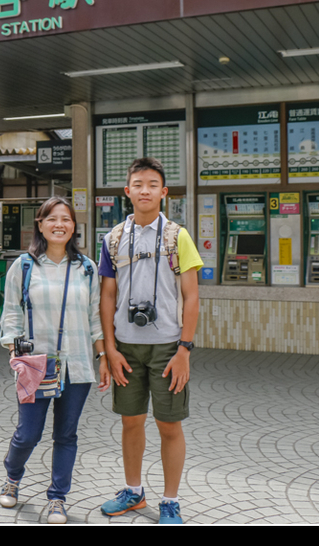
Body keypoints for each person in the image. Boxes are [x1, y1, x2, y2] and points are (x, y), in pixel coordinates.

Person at [97, 157, 203, 524]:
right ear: (127, 192)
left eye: (152, 184)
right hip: (125, 347)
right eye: (138, 184)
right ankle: (134, 492)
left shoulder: (178, 236)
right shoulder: (112, 239)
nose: (145, 190)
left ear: (164, 192)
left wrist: (184, 350)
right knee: (130, 421)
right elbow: (107, 296)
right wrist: (109, 348)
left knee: (169, 425)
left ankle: (170, 500)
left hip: (167, 347)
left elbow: (191, 296)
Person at [0, 196, 109, 525]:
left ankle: (57, 498)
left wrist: (102, 356)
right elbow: (11, 312)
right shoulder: (24, 265)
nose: (60, 224)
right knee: (27, 433)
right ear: (40, 225)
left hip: (76, 364)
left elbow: (94, 317)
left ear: (74, 226)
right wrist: (14, 352)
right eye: (52, 218)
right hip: (36, 363)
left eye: (66, 219)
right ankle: (13, 476)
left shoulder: (86, 268)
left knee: (66, 435)